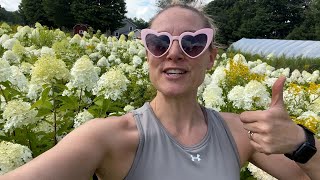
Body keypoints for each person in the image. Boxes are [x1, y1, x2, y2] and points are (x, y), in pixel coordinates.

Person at [1, 2, 319, 180]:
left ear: (211, 57)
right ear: (148, 53)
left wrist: (301, 142)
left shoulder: (239, 132)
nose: (174, 53)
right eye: (160, 42)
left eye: (194, 42)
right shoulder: (106, 137)